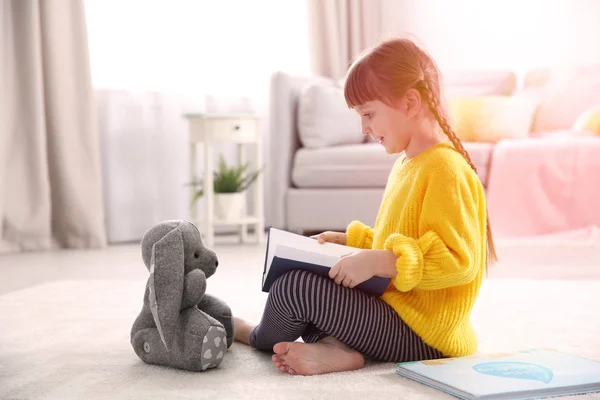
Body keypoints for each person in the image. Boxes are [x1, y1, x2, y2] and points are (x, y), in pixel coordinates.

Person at [233, 37, 497, 376]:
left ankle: (256, 336)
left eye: (369, 114)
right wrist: (352, 242)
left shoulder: (445, 169)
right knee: (318, 281)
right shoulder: (408, 164)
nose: (365, 128)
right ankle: (338, 349)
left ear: (410, 102)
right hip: (395, 315)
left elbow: (459, 261)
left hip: (424, 334)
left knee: (294, 288)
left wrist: (380, 260)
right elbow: (401, 239)